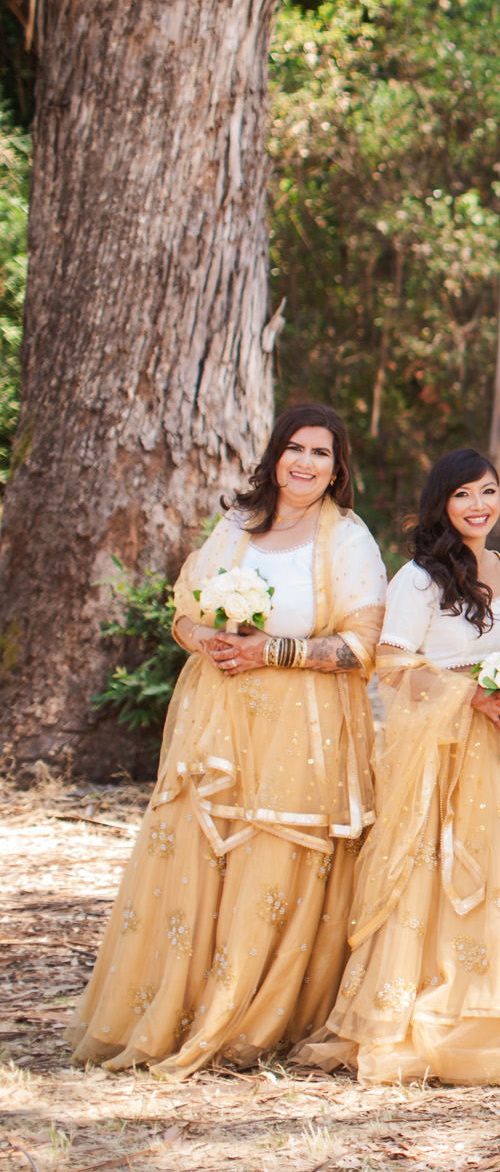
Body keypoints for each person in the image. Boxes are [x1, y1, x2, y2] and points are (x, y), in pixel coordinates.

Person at [68, 404, 386, 1078]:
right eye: (294, 448)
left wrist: (277, 649)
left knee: (268, 865)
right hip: (216, 724)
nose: (304, 462)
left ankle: (247, 1020)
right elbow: (183, 614)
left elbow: (362, 648)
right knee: (195, 858)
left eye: (321, 453)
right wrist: (206, 639)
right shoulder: (235, 528)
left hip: (300, 731)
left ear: (338, 469)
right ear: (274, 456)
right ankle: (174, 1009)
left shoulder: (349, 539)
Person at [299, 449, 500, 1084]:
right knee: (443, 875)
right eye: (464, 495)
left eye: (488, 492)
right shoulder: (420, 577)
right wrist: (469, 692)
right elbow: (391, 665)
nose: (479, 506)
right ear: (441, 505)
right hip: (447, 753)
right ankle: (431, 1020)